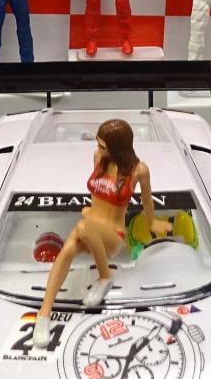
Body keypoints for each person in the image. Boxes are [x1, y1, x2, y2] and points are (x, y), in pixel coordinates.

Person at [32, 118, 169, 348]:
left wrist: (151, 221)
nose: (98, 149)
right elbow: (97, 193)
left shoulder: (139, 170)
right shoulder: (98, 158)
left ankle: (105, 276)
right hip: (91, 228)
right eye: (98, 144)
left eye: (102, 145)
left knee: (82, 227)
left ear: (117, 147)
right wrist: (92, 210)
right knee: (67, 250)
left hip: (112, 237)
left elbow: (147, 200)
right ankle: (44, 314)